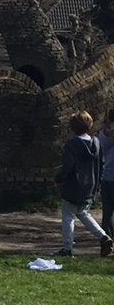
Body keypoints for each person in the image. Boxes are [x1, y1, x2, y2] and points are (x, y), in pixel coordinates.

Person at [57, 110, 113, 258]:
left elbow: (68, 166)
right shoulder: (97, 143)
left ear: (73, 127)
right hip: (90, 186)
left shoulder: (72, 145)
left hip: (74, 185)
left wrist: (60, 178)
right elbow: (101, 164)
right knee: (83, 213)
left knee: (68, 216)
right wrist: (97, 184)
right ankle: (103, 237)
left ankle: (67, 248)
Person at [99, 108, 114, 239]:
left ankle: (107, 240)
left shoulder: (103, 136)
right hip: (108, 177)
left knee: (107, 212)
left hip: (106, 177)